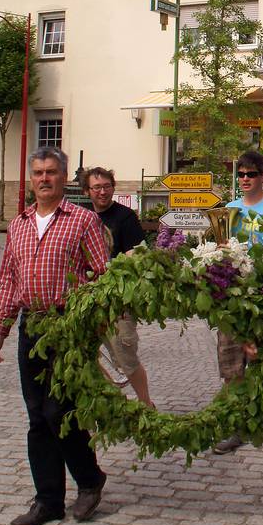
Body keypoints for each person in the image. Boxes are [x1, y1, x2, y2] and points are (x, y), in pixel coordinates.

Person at [0, 148, 109, 525]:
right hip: (32, 327)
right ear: (31, 177)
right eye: (38, 172)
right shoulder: (19, 224)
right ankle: (48, 500)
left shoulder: (83, 221)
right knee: (38, 416)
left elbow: (103, 274)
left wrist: (89, 317)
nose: (44, 179)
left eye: (51, 172)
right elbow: (9, 278)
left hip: (69, 326)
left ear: (64, 176)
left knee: (60, 411)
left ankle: (89, 479)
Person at [215, 149, 263, 454]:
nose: (244, 179)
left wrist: (253, 270)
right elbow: (220, 247)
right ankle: (237, 426)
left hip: (261, 295)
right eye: (241, 175)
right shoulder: (230, 208)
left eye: (251, 174)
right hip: (232, 297)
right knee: (231, 363)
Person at [82, 166, 153, 406]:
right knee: (87, 354)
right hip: (86, 298)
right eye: (97, 188)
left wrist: (109, 267)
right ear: (87, 191)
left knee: (125, 355)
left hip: (118, 298)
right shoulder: (81, 216)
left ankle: (146, 404)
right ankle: (110, 402)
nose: (103, 192)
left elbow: (137, 254)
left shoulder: (125, 217)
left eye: (107, 186)